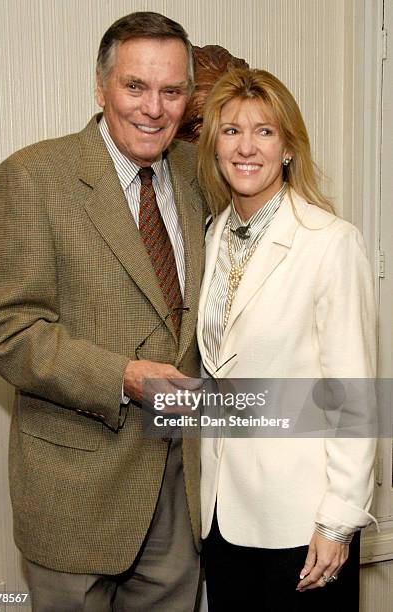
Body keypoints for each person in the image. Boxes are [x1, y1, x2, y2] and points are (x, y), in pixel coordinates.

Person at [0, 11, 206, 612]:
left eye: (171, 90)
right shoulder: (33, 176)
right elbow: (5, 330)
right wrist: (123, 378)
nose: (154, 108)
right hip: (73, 496)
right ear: (101, 87)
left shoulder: (196, 171)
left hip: (180, 490)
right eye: (136, 87)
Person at [197, 68, 377, 611]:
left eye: (264, 132)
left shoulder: (330, 242)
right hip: (221, 514)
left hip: (303, 524)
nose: (246, 147)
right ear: (213, 146)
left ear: (289, 147)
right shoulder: (212, 234)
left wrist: (339, 520)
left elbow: (355, 395)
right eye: (231, 131)